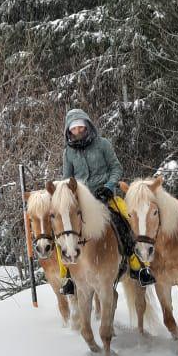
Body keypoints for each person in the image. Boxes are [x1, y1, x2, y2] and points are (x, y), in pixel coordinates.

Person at [58, 108, 155, 294]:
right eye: (74, 129)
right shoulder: (68, 153)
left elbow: (116, 168)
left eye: (80, 128)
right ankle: (69, 276)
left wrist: (109, 186)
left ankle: (139, 267)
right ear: (69, 132)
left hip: (105, 195)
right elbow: (66, 179)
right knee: (64, 230)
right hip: (81, 201)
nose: (77, 132)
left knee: (125, 221)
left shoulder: (102, 144)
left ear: (87, 126)